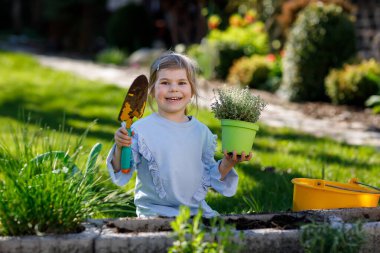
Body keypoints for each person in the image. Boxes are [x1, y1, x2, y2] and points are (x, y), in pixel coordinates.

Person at [106, 51, 252, 218]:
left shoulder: (201, 132)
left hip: (195, 212)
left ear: (192, 91)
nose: (173, 88)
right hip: (154, 212)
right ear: (152, 91)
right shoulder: (140, 130)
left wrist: (228, 162)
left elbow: (208, 176)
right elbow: (122, 170)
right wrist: (120, 146)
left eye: (182, 83)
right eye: (165, 82)